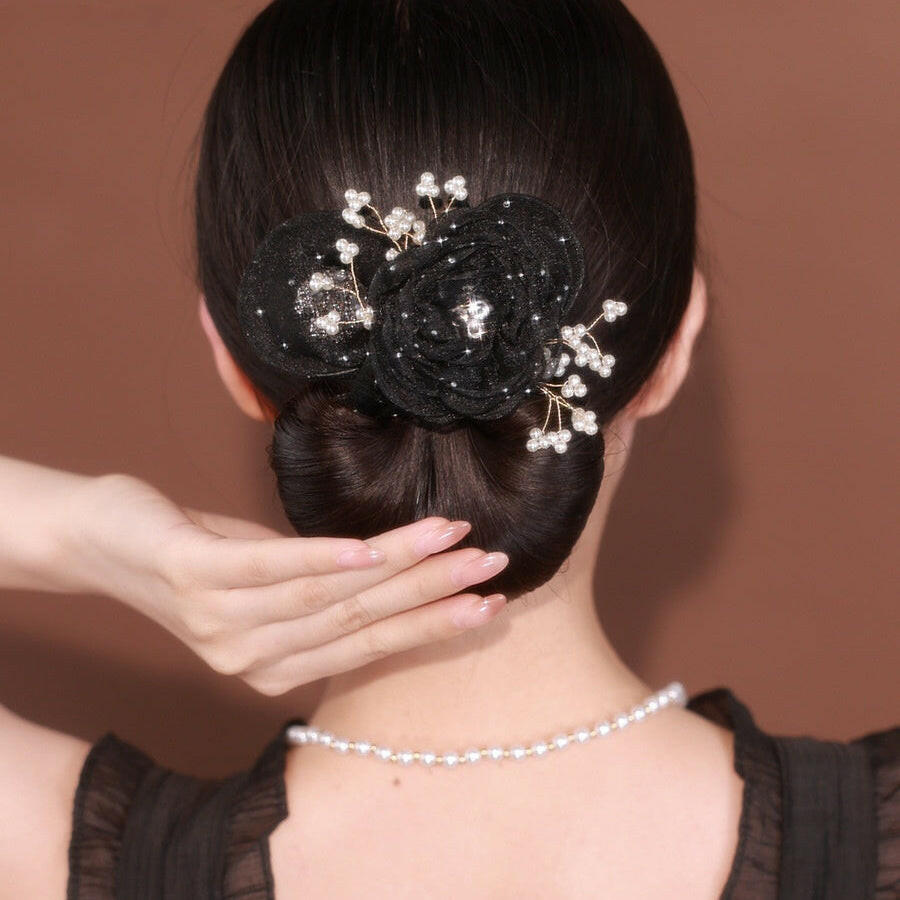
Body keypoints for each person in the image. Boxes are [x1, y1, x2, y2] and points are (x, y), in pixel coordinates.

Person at [1, 1, 896, 898]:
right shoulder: (869, 840)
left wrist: (87, 534)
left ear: (238, 359)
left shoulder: (69, 852)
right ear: (672, 348)